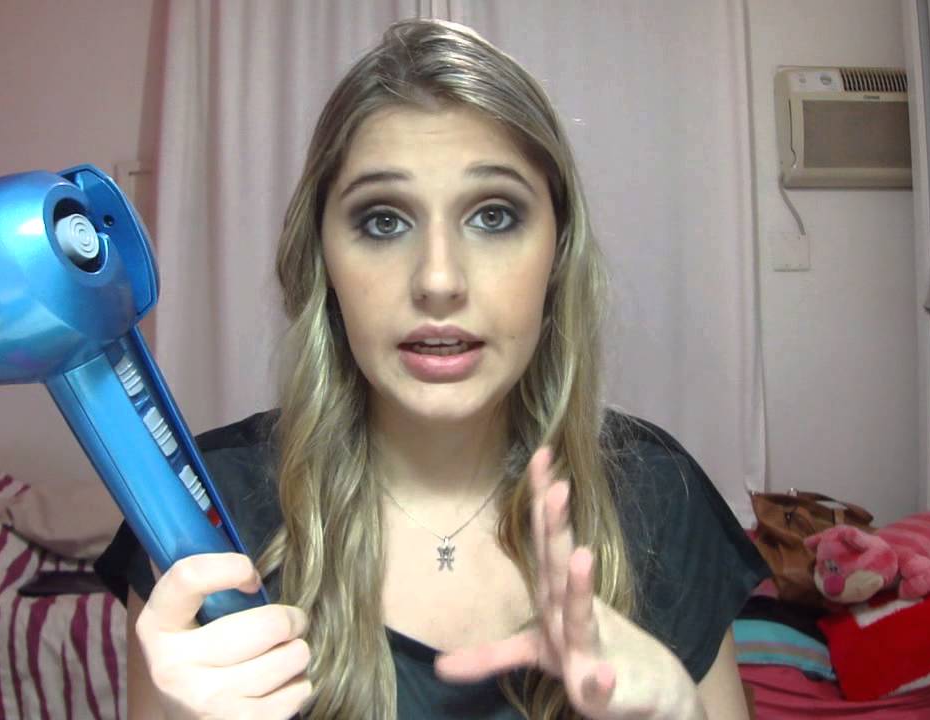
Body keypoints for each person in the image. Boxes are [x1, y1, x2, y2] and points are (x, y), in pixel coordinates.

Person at [96, 17, 768, 720]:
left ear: (558, 253)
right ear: (322, 259)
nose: (439, 281)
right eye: (383, 221)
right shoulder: (200, 508)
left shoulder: (659, 498)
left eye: (494, 216)